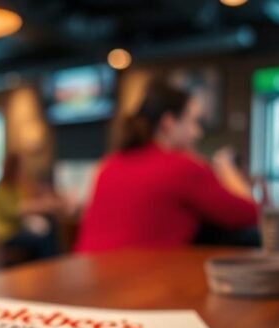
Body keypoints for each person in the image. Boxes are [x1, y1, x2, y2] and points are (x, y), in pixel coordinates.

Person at [74, 80, 257, 254]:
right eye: (193, 121)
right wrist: (228, 171)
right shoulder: (183, 167)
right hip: (138, 280)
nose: (198, 132)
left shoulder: (109, 164)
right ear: (168, 123)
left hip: (89, 277)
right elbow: (251, 215)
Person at [0, 153, 59, 260]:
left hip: (18, 228)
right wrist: (40, 206)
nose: (22, 172)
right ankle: (44, 266)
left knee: (49, 228)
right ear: (12, 169)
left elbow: (27, 200)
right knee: (41, 240)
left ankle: (50, 264)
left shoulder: (15, 187)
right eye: (20, 169)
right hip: (6, 234)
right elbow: (14, 211)